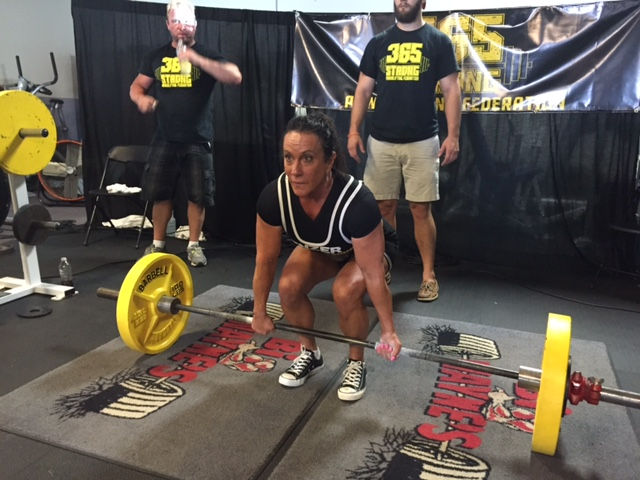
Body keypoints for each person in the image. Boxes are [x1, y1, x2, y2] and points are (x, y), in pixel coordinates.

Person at [251, 112, 402, 402]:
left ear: (330, 161)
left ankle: (356, 362)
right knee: (288, 287)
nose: (295, 170)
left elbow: (372, 273)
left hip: (366, 251)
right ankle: (310, 353)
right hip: (325, 249)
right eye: (288, 158)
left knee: (345, 291)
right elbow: (265, 260)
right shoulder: (274, 197)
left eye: (307, 159)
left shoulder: (358, 203)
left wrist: (388, 331)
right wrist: (259, 311)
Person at [347, 0, 461, 301]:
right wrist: (353, 130)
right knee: (382, 208)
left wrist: (453, 136)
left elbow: (451, 89)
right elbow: (363, 89)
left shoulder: (438, 41)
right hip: (381, 140)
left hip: (423, 140)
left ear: (423, 2)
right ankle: (382, 268)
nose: (402, 0)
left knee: (420, 209)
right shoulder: (378, 43)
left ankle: (428, 275)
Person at [130, 0, 242, 266]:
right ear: (168, 24)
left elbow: (235, 76)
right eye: (176, 21)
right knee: (160, 194)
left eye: (187, 21)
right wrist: (140, 99)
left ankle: (193, 245)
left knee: (197, 196)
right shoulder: (155, 56)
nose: (182, 26)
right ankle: (158, 244)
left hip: (197, 138)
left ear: (196, 24)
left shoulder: (207, 54)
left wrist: (195, 59)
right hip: (164, 136)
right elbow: (137, 86)